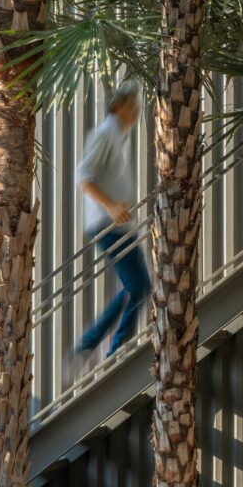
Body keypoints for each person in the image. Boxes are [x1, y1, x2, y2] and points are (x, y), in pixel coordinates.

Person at [66, 80, 151, 382]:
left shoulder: (116, 136)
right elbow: (83, 177)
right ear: (117, 107)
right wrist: (113, 207)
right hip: (107, 225)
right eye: (132, 105)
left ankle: (91, 346)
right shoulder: (105, 134)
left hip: (119, 226)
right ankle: (110, 354)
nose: (137, 111)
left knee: (138, 287)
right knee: (139, 287)